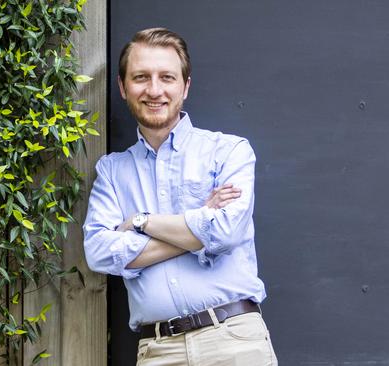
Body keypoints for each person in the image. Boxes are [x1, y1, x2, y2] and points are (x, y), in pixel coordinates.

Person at [83, 27, 277, 366]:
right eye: (141, 77)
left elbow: (226, 232)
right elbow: (99, 252)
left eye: (167, 77)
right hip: (158, 351)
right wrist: (197, 226)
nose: (154, 90)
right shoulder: (112, 172)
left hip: (233, 341)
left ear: (185, 87)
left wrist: (141, 223)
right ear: (122, 87)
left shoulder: (228, 151)